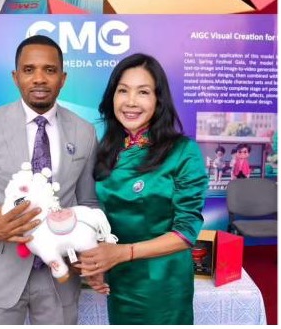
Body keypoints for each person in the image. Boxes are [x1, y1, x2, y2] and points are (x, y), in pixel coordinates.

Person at [0, 35, 98, 324]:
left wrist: (89, 249)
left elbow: (88, 201)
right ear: (15, 77)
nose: (39, 79)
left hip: (59, 277)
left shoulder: (84, 132)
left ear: (63, 78)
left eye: (49, 70)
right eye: (29, 70)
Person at [79, 53, 207, 325]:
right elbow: (96, 216)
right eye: (123, 90)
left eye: (143, 92)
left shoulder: (183, 152)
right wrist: (98, 263)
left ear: (159, 100)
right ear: (112, 96)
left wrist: (122, 253)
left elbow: (186, 231)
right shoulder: (106, 151)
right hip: (120, 280)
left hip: (165, 284)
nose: (131, 102)